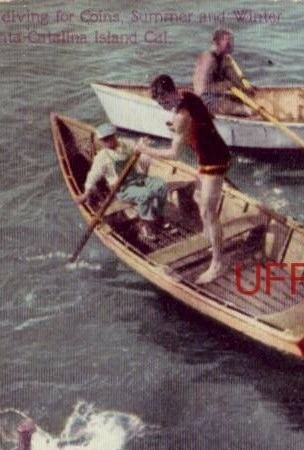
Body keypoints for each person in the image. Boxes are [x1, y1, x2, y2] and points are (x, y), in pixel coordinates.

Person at [140, 74, 231, 284]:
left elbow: (173, 154)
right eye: (159, 103)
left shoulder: (181, 116)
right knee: (199, 197)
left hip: (214, 161)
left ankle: (218, 263)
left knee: (208, 212)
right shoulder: (188, 95)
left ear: (172, 92)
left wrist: (145, 149)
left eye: (163, 101)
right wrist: (183, 129)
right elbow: (203, 117)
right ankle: (212, 240)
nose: (163, 106)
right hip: (211, 155)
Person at [76, 123, 167, 243]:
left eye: (110, 137)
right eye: (104, 139)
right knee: (145, 194)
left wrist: (144, 147)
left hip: (139, 179)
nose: (108, 141)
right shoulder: (102, 157)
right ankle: (145, 226)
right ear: (101, 141)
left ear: (115, 135)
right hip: (123, 188)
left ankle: (158, 216)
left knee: (161, 185)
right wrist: (85, 194)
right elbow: (92, 176)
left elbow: (139, 149)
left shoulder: (127, 144)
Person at [193, 28, 256, 117]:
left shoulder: (223, 58)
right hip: (205, 101)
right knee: (248, 111)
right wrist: (225, 85)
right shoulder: (208, 59)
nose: (231, 45)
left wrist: (245, 87)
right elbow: (201, 90)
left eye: (231, 41)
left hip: (218, 96)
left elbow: (232, 77)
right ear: (217, 43)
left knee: (247, 102)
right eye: (228, 42)